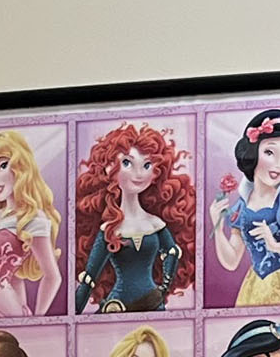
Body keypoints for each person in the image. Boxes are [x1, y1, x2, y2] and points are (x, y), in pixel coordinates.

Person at [73, 122, 195, 313]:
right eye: (127, 163)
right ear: (109, 168)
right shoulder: (109, 230)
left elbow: (172, 252)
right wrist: (73, 316)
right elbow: (90, 278)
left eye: (147, 165)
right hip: (117, 309)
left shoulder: (156, 224)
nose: (139, 174)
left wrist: (163, 289)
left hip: (154, 304)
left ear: (156, 173)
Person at [208, 107, 280, 306]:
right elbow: (231, 261)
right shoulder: (242, 204)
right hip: (254, 286)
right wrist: (217, 227)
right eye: (270, 152)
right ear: (252, 152)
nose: (279, 165)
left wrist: (275, 245)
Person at [0, 130, 59, 319]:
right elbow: (13, 272)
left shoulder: (32, 218)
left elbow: (53, 277)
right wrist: (22, 304)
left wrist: (37, 319)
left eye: (2, 166)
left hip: (6, 306)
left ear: (20, 166)